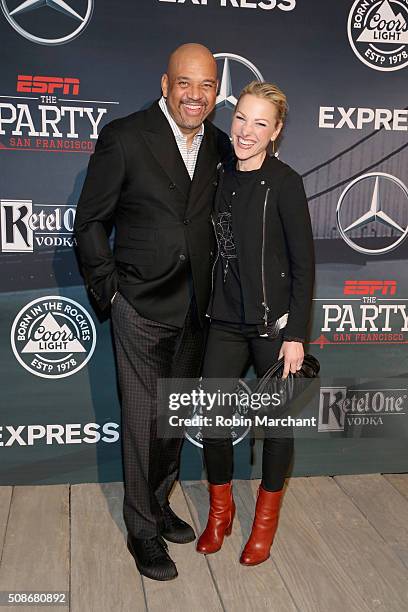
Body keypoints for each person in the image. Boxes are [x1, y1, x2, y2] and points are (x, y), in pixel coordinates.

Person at [74, 43, 231, 581]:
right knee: (142, 423)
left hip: (198, 307)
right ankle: (141, 530)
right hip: (139, 303)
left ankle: (160, 504)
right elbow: (90, 222)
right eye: (185, 83)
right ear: (166, 85)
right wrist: (109, 291)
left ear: (216, 92)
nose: (196, 95)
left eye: (207, 85)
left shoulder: (219, 144)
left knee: (172, 419)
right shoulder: (124, 136)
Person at [196, 81, 315, 565]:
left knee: (277, 426)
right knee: (214, 421)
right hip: (224, 322)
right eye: (241, 117)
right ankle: (219, 514)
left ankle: (263, 527)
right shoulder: (218, 176)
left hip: (274, 327)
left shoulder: (286, 182)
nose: (246, 131)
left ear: (276, 132)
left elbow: (304, 265)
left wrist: (296, 336)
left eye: (259, 123)